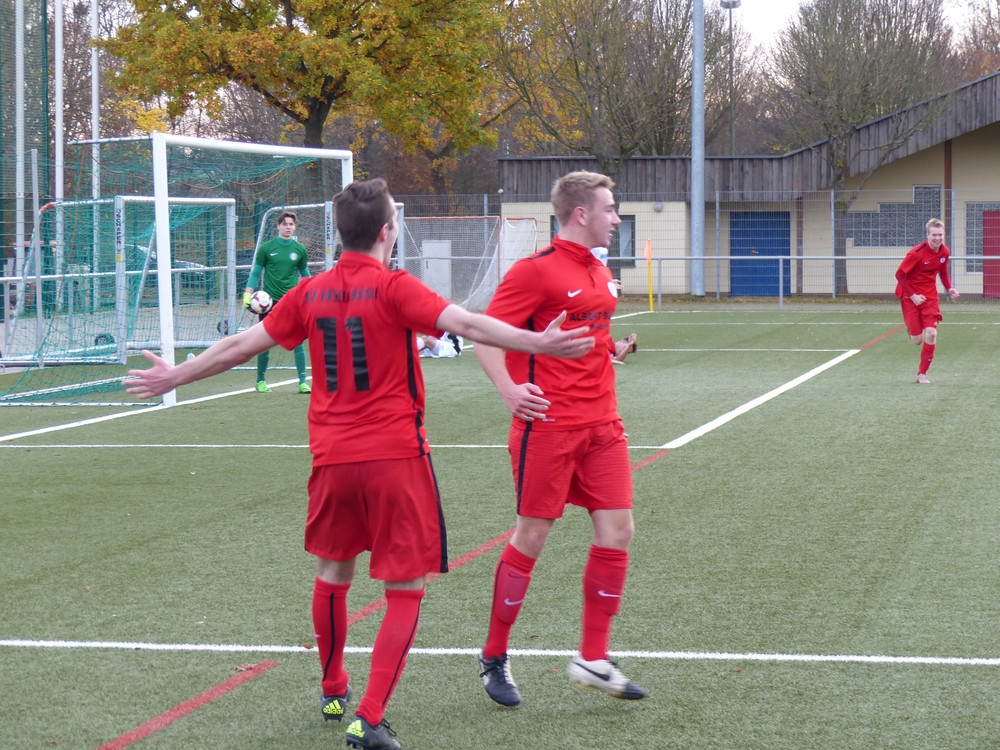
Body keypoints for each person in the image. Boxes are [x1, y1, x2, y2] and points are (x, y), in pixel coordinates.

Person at [124, 178, 594, 750]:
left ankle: (332, 687)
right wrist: (539, 345)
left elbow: (242, 345)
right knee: (406, 587)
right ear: (388, 232)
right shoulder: (395, 287)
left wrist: (175, 375)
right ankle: (369, 716)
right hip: (395, 458)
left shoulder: (310, 291)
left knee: (333, 574)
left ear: (340, 233)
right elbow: (469, 325)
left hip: (331, 461)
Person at [473, 170, 648, 708]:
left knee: (618, 530)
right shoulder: (534, 272)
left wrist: (610, 349)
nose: (615, 218)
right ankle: (494, 655)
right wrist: (508, 390)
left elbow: (587, 334)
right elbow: (484, 335)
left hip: (603, 424)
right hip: (547, 426)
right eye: (610, 209)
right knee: (532, 536)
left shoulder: (599, 268)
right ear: (581, 213)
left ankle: (592, 658)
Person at [243, 210, 312, 393]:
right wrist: (247, 295)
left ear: (294, 227)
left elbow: (305, 274)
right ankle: (260, 381)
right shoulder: (266, 248)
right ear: (278, 226)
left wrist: (312, 293)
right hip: (268, 302)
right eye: (285, 224)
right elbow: (256, 273)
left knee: (298, 341)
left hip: (291, 302)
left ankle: (303, 382)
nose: (288, 227)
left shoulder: (300, 250)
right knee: (263, 342)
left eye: (291, 224)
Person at [895, 218, 960, 384]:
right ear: (927, 235)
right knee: (917, 340)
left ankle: (922, 374)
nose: (937, 238)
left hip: (930, 297)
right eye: (934, 235)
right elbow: (899, 274)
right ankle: (912, 330)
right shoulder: (916, 253)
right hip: (910, 296)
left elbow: (943, 273)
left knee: (931, 334)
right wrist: (913, 296)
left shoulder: (944, 252)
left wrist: (950, 288)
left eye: (940, 235)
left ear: (944, 235)